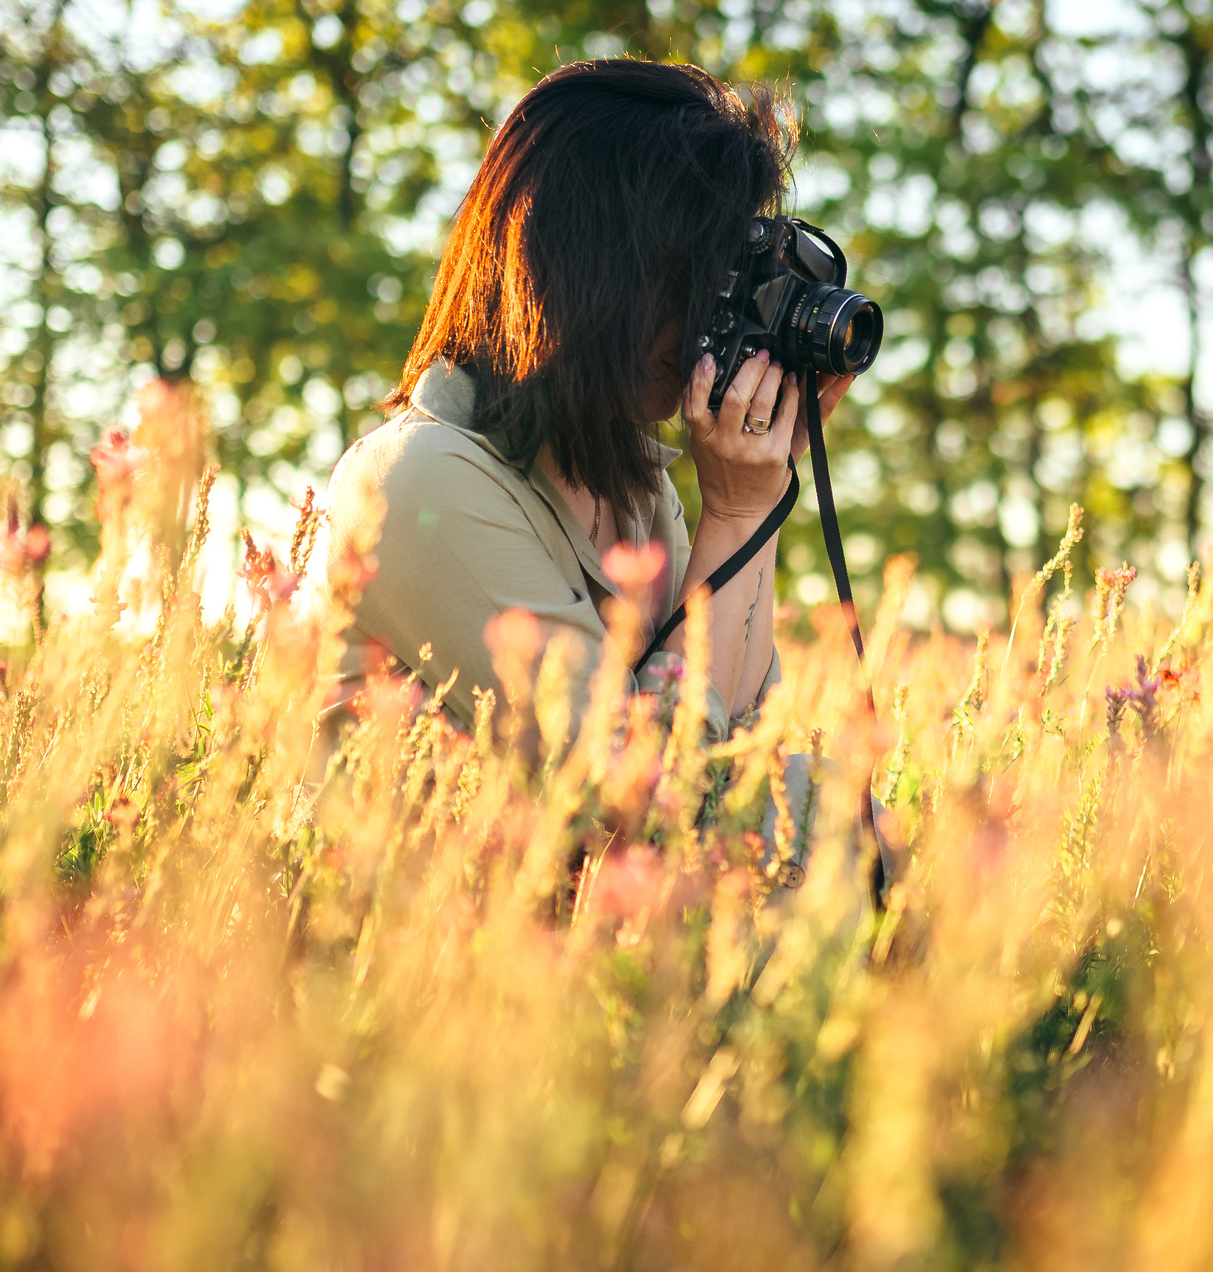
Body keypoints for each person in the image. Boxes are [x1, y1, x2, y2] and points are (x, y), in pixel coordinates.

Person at [320, 57, 853, 769]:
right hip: (423, 883)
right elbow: (641, 791)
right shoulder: (418, 480)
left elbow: (742, 738)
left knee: (863, 825)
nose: (708, 318)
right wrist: (732, 516)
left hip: (615, 881)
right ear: (590, 270)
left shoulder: (630, 480)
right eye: (691, 280)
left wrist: (758, 502)